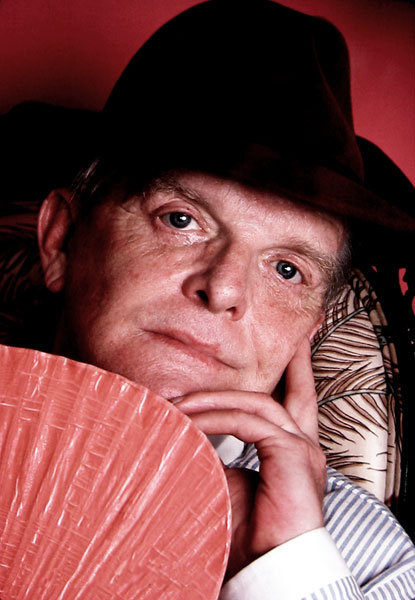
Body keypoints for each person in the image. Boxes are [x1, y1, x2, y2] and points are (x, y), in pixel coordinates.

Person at [35, 0, 415, 598]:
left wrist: (277, 567)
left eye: (287, 269)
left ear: (307, 330)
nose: (224, 290)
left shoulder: (377, 565)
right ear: (62, 240)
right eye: (181, 219)